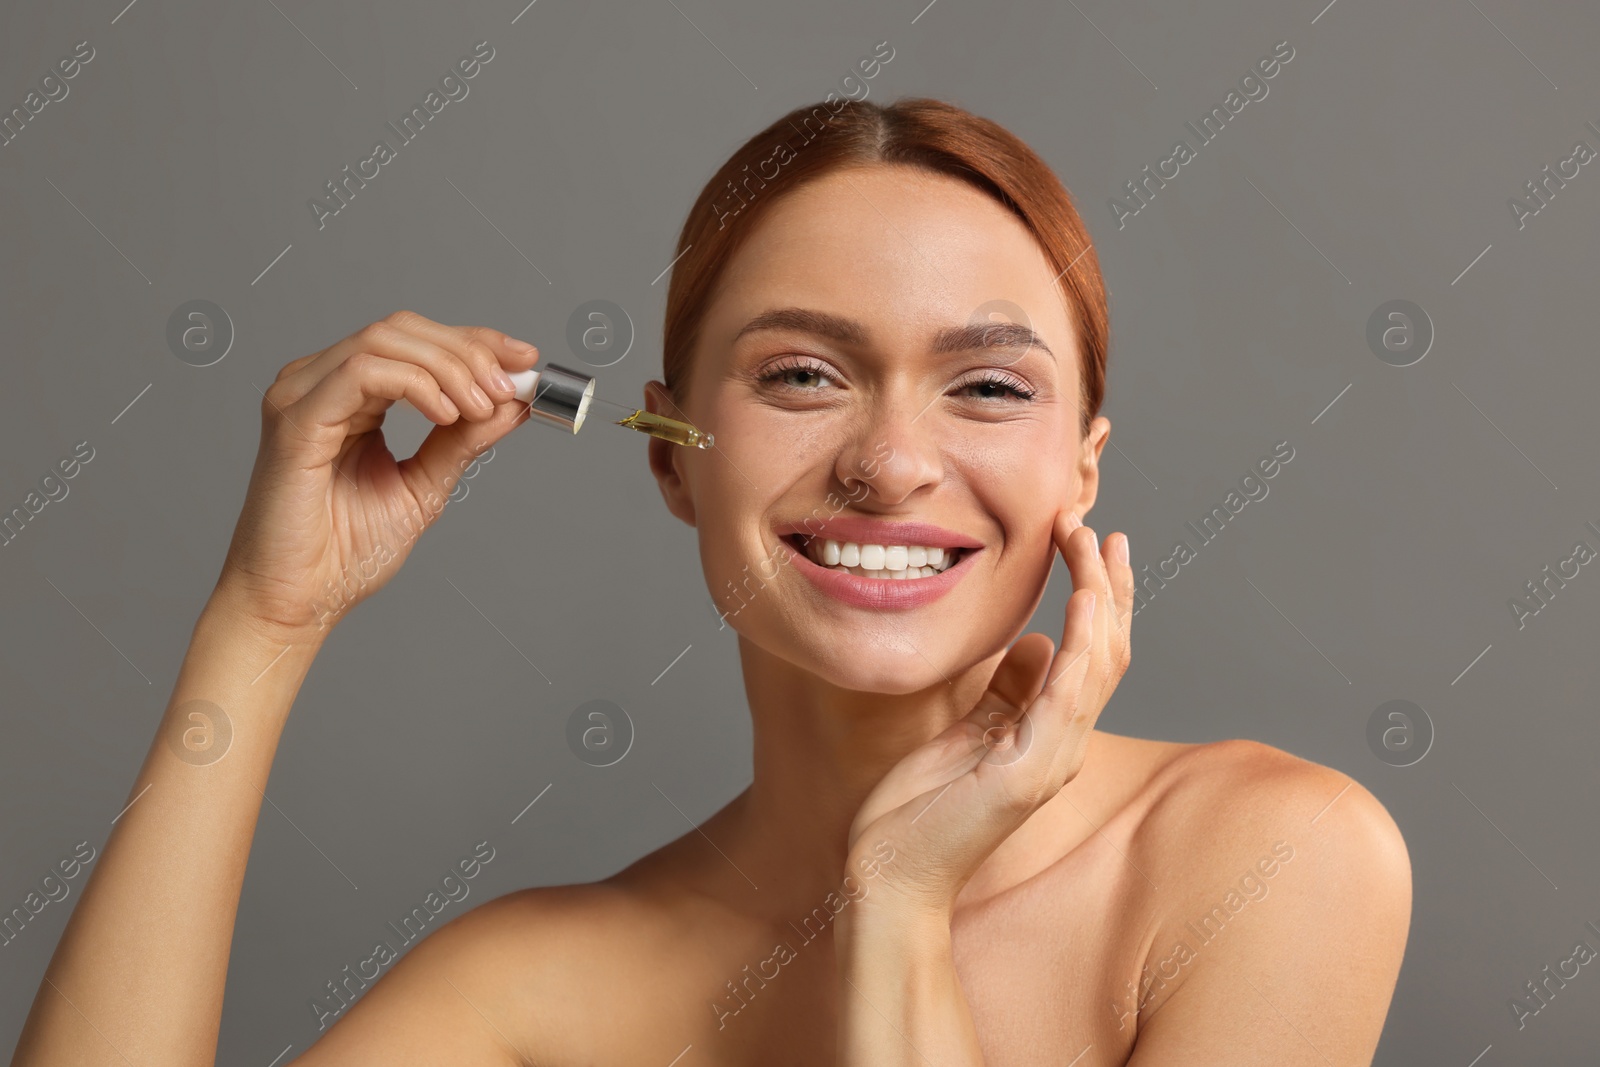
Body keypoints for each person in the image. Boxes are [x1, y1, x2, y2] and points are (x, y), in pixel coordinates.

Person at [13, 97, 1410, 1066]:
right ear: (673, 455)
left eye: (988, 386)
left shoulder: (1269, 862)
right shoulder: (537, 985)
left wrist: (899, 904)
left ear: (1083, 468)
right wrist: (264, 624)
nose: (891, 463)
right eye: (802, 375)